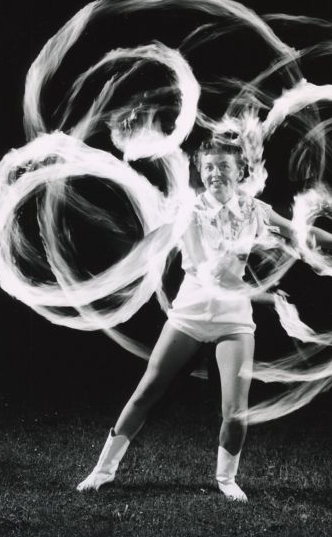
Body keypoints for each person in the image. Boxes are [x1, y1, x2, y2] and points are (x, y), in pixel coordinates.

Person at [76, 137, 299, 502]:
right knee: (147, 390)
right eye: (208, 167)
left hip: (233, 318)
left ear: (240, 171)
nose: (215, 173)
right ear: (200, 170)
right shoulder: (188, 210)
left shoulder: (255, 210)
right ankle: (102, 471)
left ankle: (226, 479)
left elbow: (299, 234)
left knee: (235, 409)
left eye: (223, 166)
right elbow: (177, 254)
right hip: (189, 312)